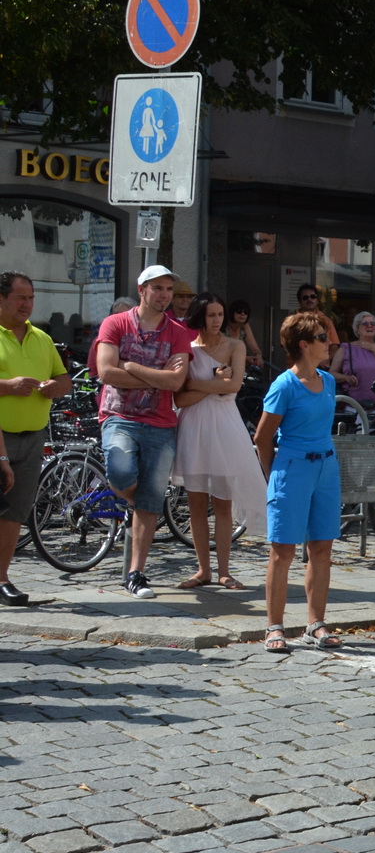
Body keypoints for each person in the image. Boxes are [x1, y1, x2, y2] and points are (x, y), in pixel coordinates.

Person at [94, 265, 196, 599]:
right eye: (158, 288)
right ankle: (138, 509)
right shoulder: (117, 323)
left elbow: (176, 381)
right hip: (119, 415)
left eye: (169, 289)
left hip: (161, 423)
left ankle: (136, 573)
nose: (165, 295)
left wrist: (133, 366)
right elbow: (107, 371)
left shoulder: (178, 331)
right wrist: (156, 374)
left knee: (151, 500)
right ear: (142, 289)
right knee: (120, 470)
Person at [254, 312, 342, 653]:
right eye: (322, 338)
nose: (329, 342)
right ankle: (274, 627)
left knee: (322, 548)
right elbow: (262, 437)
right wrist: (273, 474)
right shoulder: (284, 385)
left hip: (326, 469)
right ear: (304, 345)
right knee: (282, 551)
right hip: (292, 469)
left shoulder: (328, 381)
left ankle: (315, 624)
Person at [172, 292, 268, 590]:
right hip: (194, 426)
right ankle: (203, 570)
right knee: (196, 503)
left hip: (225, 428)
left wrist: (201, 384)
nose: (217, 320)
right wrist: (215, 384)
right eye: (211, 315)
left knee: (223, 503)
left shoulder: (235, 346)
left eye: (219, 314)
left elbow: (235, 385)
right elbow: (181, 395)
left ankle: (224, 570)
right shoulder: (187, 348)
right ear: (200, 316)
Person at [0, 272, 71, 606]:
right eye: (19, 297)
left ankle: (2, 578)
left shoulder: (41, 337)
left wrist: (57, 387)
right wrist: (8, 386)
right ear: (1, 299)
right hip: (0, 436)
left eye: (30, 298)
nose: (27, 304)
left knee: (15, 512)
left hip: (32, 438)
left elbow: (63, 379)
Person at [331, 310, 375, 410]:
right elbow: (331, 374)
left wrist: (374, 349)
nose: (369, 326)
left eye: (373, 324)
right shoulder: (346, 348)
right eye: (365, 323)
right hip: (354, 407)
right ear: (357, 329)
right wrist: (346, 378)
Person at [294, 283, 341, 348]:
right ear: (300, 302)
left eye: (312, 296)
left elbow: (334, 345)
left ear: (317, 300)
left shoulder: (326, 320)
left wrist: (325, 358)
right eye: (305, 297)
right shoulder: (292, 321)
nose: (309, 299)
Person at [225, 299, 265, 367]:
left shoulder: (245, 326)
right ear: (232, 313)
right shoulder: (223, 326)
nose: (243, 314)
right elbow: (222, 351)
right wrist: (245, 358)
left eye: (246, 312)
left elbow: (255, 348)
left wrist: (258, 357)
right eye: (239, 311)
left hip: (239, 367)